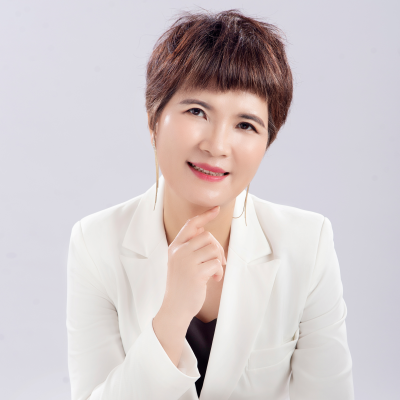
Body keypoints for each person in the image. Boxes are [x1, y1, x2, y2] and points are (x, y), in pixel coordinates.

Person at [66, 9, 354, 400]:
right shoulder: (95, 242)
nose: (217, 146)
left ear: (266, 143)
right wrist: (171, 316)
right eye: (197, 111)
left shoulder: (307, 243)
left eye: (245, 125)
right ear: (153, 121)